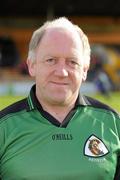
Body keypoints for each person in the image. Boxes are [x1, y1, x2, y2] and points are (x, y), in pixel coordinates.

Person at [0, 17, 120, 180]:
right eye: (51, 60)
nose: (62, 72)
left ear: (85, 69)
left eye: (72, 62)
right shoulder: (4, 127)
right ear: (32, 65)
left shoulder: (113, 124)